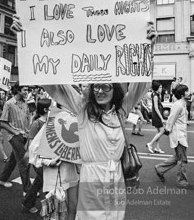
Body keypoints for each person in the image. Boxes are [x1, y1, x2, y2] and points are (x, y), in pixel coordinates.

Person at [11, 15, 156, 219]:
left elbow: (141, 83)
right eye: (96, 86)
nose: (100, 90)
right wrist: (26, 39)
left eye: (106, 86)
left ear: (114, 90)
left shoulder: (120, 111)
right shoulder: (82, 109)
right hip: (91, 178)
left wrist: (148, 48)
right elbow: (54, 84)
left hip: (116, 178)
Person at [155, 85, 194, 190]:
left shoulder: (182, 104)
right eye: (187, 91)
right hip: (178, 136)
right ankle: (182, 181)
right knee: (182, 159)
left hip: (181, 134)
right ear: (182, 94)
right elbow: (171, 118)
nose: (188, 93)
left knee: (178, 157)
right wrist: (167, 130)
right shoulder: (178, 105)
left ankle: (160, 169)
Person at [0, 82, 31, 194]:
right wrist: (15, 132)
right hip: (14, 137)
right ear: (17, 90)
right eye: (24, 89)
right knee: (23, 162)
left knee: (12, 160)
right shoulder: (9, 104)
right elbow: (2, 122)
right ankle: (28, 190)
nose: (27, 92)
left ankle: (2, 179)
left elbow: (27, 119)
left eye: (27, 90)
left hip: (24, 136)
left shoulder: (25, 103)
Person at [22, 98, 52, 214]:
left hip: (47, 158)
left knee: (38, 182)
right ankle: (51, 208)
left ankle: (27, 202)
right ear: (46, 109)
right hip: (39, 159)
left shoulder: (51, 121)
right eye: (51, 107)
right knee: (47, 182)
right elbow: (31, 143)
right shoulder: (37, 123)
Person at [146, 80, 165, 154]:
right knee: (162, 131)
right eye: (160, 87)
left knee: (159, 132)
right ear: (157, 87)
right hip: (157, 116)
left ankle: (157, 148)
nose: (161, 88)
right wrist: (161, 118)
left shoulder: (155, 94)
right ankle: (150, 144)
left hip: (156, 115)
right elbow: (156, 108)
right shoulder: (155, 96)